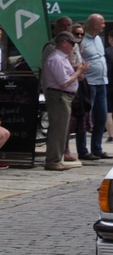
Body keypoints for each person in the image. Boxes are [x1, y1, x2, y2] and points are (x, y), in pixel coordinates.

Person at [42, 30, 86, 170]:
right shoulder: (56, 59)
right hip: (59, 96)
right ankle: (53, 160)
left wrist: (76, 74)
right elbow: (64, 82)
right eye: (72, 43)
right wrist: (78, 72)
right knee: (58, 129)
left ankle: (57, 158)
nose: (73, 46)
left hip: (63, 96)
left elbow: (67, 76)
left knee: (62, 129)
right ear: (64, 43)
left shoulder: (63, 58)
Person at [78, 13, 108, 161]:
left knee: (101, 116)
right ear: (95, 24)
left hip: (102, 82)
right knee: (85, 118)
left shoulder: (98, 39)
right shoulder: (82, 41)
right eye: (102, 23)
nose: (104, 26)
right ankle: (82, 150)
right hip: (89, 83)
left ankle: (97, 148)